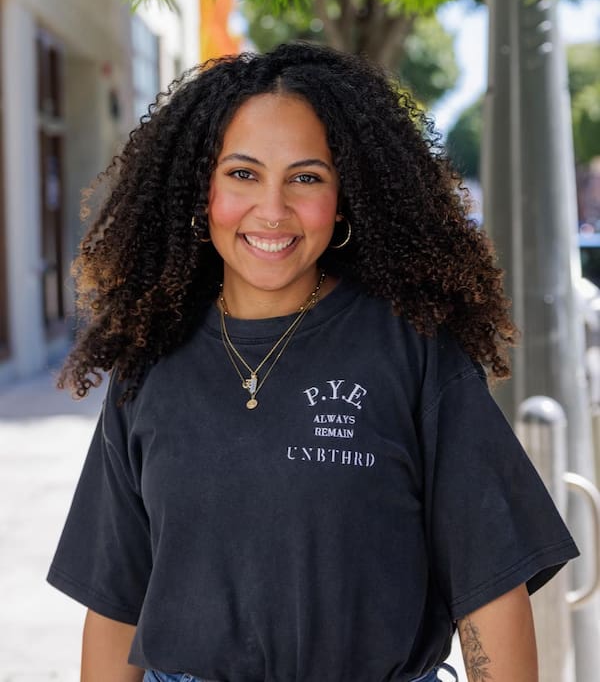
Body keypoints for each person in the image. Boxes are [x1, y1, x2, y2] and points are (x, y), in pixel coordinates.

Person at [48, 42, 578, 682]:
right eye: (242, 174)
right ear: (200, 191)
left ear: (345, 196)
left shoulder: (413, 347)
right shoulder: (149, 362)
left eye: (306, 177)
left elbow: (491, 590)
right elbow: (116, 606)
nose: (272, 210)